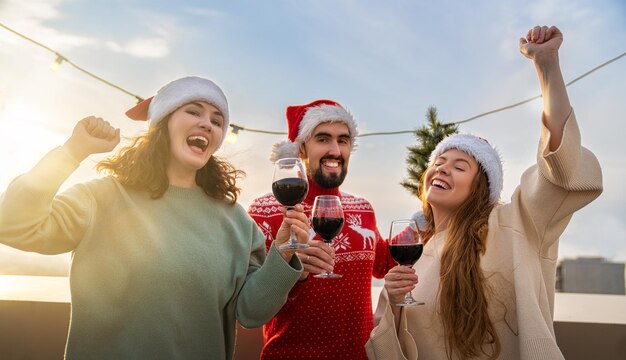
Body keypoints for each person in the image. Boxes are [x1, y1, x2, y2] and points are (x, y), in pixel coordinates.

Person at [0, 76, 309, 359]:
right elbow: (13, 225)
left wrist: (283, 252)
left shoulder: (237, 221)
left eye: (217, 120)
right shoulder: (101, 198)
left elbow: (252, 312)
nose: (207, 124)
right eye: (193, 111)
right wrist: (72, 151)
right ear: (162, 122)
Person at [366, 25, 603, 360]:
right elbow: (387, 351)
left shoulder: (514, 225)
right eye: (439, 161)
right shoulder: (416, 257)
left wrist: (547, 67)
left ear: (482, 188)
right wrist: (393, 303)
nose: (442, 168)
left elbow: (561, 172)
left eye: (460, 166)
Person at [248, 99, 397, 359]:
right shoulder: (265, 211)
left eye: (343, 140)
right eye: (323, 139)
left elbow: (384, 263)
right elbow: (249, 301)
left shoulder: (363, 209)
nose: (335, 150)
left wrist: (429, 220)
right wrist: (288, 269)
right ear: (301, 149)